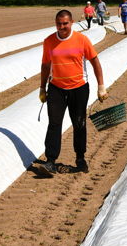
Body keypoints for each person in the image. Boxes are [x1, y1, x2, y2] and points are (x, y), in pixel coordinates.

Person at [39, 10, 108, 174]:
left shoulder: (82, 40)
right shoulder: (49, 41)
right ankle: (50, 161)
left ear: (71, 23)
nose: (62, 27)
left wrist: (101, 86)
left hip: (79, 88)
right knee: (54, 124)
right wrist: (42, 87)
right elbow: (45, 65)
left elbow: (95, 61)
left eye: (65, 23)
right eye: (59, 24)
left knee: (79, 124)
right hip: (56, 88)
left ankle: (80, 158)